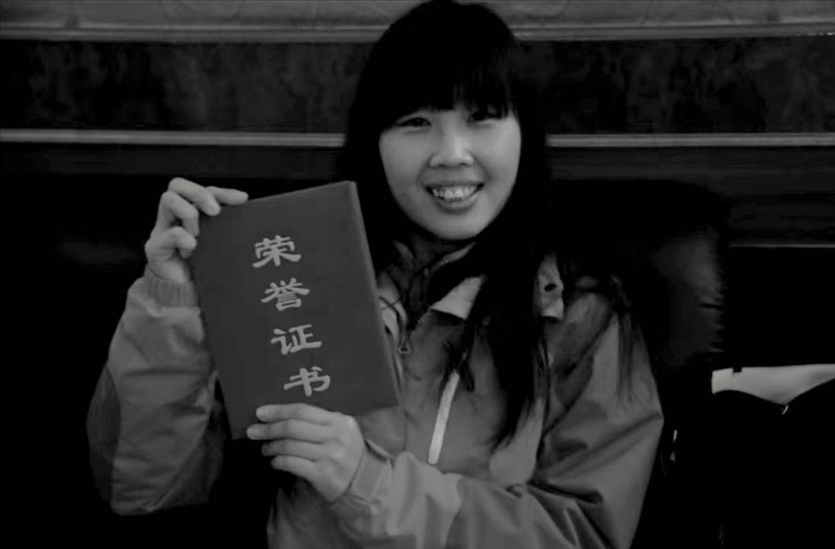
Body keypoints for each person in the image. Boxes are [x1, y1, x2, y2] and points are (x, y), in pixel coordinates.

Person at [87, 1, 663, 547]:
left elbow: (584, 534)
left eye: (482, 118)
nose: (451, 153)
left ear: (525, 135)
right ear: (375, 142)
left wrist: (369, 485)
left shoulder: (582, 316)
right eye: (416, 121)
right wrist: (171, 301)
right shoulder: (292, 271)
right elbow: (141, 491)